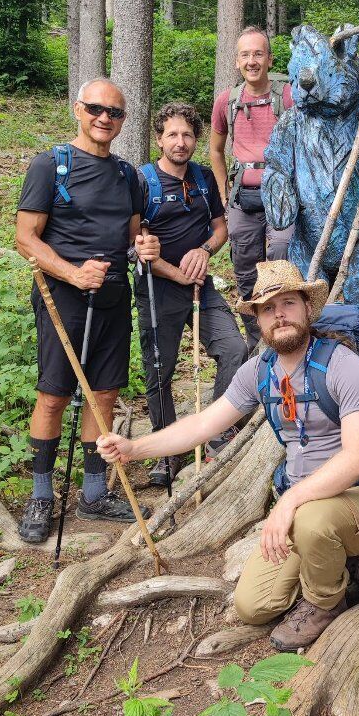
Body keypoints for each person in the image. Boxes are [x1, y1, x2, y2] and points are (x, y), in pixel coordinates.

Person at [96, 260, 359, 651]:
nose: (280, 315)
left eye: (288, 303)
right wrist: (135, 448)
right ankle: (345, 559)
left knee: (312, 520)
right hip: (307, 508)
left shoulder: (343, 365)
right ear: (257, 319)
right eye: (268, 308)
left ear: (308, 308)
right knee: (253, 606)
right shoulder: (260, 371)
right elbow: (203, 425)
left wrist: (288, 500)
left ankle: (327, 602)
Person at [14, 78, 158, 544]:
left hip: (114, 296)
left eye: (114, 112)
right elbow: (25, 238)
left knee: (103, 395)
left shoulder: (127, 175)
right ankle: (41, 495)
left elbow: (133, 234)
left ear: (123, 120)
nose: (104, 118)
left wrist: (145, 247)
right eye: (96, 108)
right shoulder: (50, 165)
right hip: (65, 298)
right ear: (78, 108)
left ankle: (93, 493)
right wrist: (73, 273)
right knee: (54, 395)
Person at [136, 102, 248, 484]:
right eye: (172, 134)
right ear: (159, 139)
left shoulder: (202, 178)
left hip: (202, 287)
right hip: (157, 289)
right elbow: (134, 242)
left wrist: (204, 252)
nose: (180, 142)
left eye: (187, 135)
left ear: (196, 139)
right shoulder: (142, 181)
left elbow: (221, 229)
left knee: (234, 349)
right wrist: (174, 272)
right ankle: (169, 450)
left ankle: (217, 432)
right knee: (158, 371)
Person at [210, 26, 294, 349]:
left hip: (282, 195)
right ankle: (259, 340)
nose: (252, 61)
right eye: (245, 55)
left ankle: (285, 332)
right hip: (241, 199)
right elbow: (215, 151)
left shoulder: (286, 95)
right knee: (245, 270)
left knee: (280, 257)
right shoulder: (227, 102)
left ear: (270, 58)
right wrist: (222, 194)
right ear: (236, 62)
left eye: (258, 53)